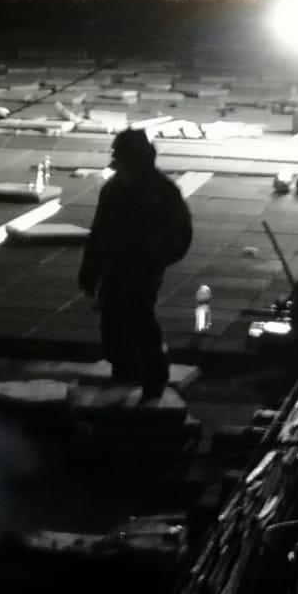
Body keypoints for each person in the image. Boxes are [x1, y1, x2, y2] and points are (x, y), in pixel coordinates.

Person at [78, 128, 193, 401]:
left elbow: (182, 232)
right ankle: (125, 370)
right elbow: (99, 229)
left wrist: (159, 255)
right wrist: (90, 269)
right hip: (117, 264)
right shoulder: (114, 190)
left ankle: (154, 375)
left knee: (140, 316)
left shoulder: (162, 192)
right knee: (112, 319)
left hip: (144, 266)